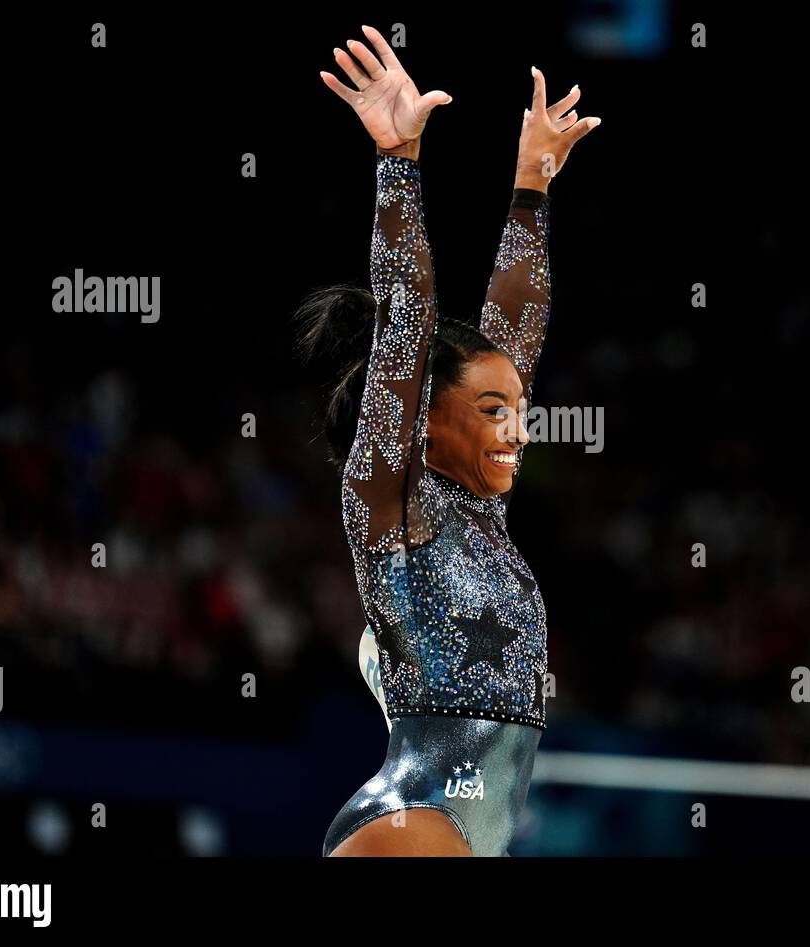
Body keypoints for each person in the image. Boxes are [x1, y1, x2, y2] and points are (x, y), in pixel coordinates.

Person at [300, 25, 600, 856]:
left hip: (475, 827)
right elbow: (408, 325)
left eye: (519, 407)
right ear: (424, 419)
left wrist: (533, 185)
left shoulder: (484, 520)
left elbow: (516, 330)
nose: (519, 428)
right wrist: (398, 159)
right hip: (416, 815)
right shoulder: (392, 505)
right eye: (494, 410)